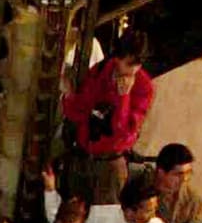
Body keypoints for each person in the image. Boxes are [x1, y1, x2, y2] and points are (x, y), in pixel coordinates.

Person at [61, 29, 155, 203]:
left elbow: (123, 131)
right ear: (118, 57)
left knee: (105, 216)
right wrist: (69, 96)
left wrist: (123, 97)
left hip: (110, 162)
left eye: (137, 65)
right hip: (83, 154)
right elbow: (78, 110)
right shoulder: (101, 71)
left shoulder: (143, 86)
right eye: (128, 63)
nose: (132, 70)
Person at [150, 141, 202, 223]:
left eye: (188, 173)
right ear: (161, 172)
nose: (185, 179)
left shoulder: (194, 200)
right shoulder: (141, 192)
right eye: (178, 174)